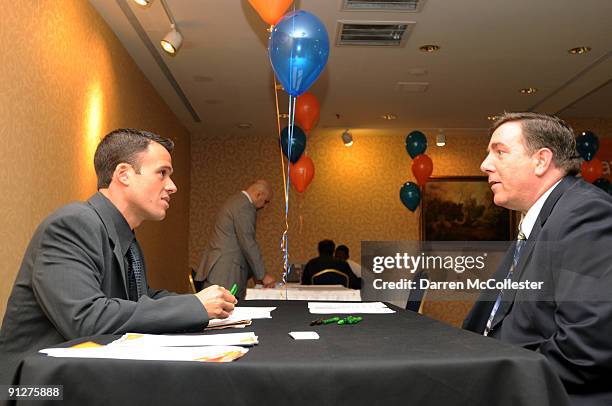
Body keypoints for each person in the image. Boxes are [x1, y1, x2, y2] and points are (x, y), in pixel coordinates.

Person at [0, 129, 236, 384]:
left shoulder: (124, 235)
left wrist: (202, 301)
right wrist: (194, 307)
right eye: (162, 173)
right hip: (32, 387)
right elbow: (86, 318)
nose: (172, 186)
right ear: (123, 174)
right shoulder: (72, 224)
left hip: (83, 376)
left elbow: (138, 298)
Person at [462, 112, 612, 403]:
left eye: (499, 152)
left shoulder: (586, 214)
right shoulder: (544, 217)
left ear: (541, 160)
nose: (484, 165)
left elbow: (586, 346)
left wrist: (495, 382)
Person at [195, 180, 276, 299]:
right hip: (225, 272)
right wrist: (263, 275)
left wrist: (256, 275)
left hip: (220, 269)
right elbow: (248, 243)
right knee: (223, 311)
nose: (264, 206)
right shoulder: (245, 206)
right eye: (266, 201)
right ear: (259, 194)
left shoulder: (236, 201)